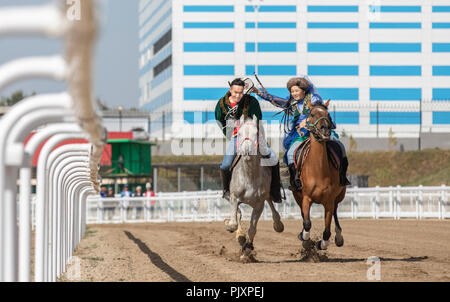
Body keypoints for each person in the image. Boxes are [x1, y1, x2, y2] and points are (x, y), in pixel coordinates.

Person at [252, 76, 350, 192]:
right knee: (290, 154)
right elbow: (276, 100)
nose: (294, 93)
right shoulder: (292, 102)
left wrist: (308, 120)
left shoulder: (314, 99)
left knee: (340, 146)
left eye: (296, 91)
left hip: (318, 130)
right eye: (292, 91)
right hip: (299, 133)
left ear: (303, 90)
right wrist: (259, 92)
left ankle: (342, 176)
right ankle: (295, 180)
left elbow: (319, 111)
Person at [215, 78, 283, 203]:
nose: (238, 95)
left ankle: (275, 191)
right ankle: (226, 191)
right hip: (236, 137)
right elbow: (220, 122)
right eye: (235, 92)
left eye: (241, 92)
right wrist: (230, 134)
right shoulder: (221, 104)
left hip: (253, 136)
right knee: (225, 164)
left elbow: (258, 120)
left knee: (273, 158)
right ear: (230, 90)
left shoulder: (252, 101)